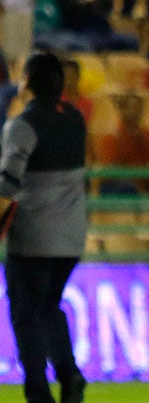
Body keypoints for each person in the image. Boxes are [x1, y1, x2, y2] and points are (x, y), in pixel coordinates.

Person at [0, 52, 88, 403]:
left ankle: (38, 391)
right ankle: (70, 375)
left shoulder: (22, 125)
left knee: (25, 312)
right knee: (48, 306)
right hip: (71, 236)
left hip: (33, 236)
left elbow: (7, 184)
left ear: (27, 83)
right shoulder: (76, 120)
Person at [94, 93, 149, 194]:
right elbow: (107, 173)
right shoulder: (112, 137)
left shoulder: (147, 135)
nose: (134, 112)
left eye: (137, 108)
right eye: (130, 108)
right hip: (120, 188)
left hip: (143, 185)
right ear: (121, 110)